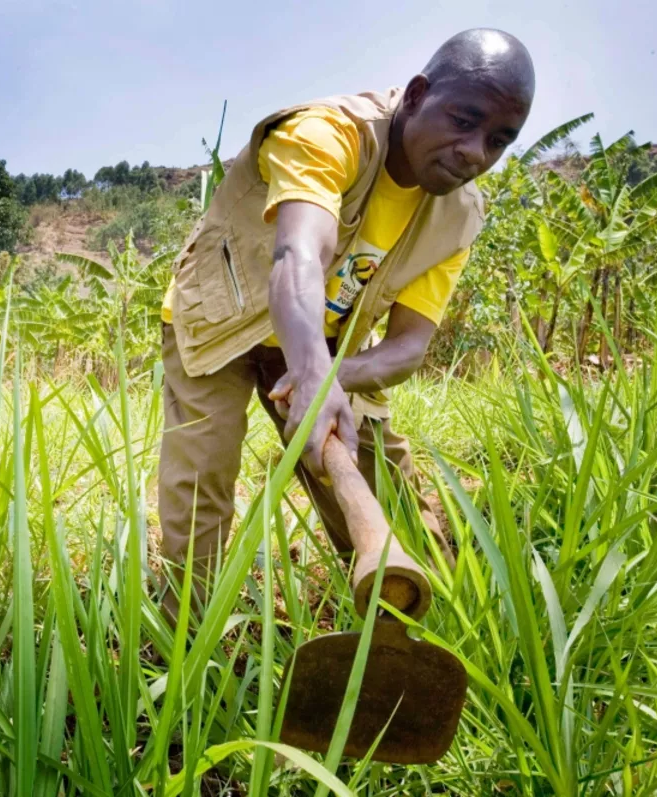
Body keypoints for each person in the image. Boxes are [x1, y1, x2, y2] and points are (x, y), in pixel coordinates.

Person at [157, 28, 535, 621]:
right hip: (219, 319)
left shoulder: (458, 216)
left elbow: (409, 346)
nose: (475, 152)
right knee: (200, 479)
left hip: (325, 342)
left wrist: (329, 376)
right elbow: (297, 255)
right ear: (415, 96)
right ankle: (184, 636)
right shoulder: (327, 134)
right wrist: (311, 374)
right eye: (464, 121)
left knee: (375, 470)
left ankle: (423, 615)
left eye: (499, 140)